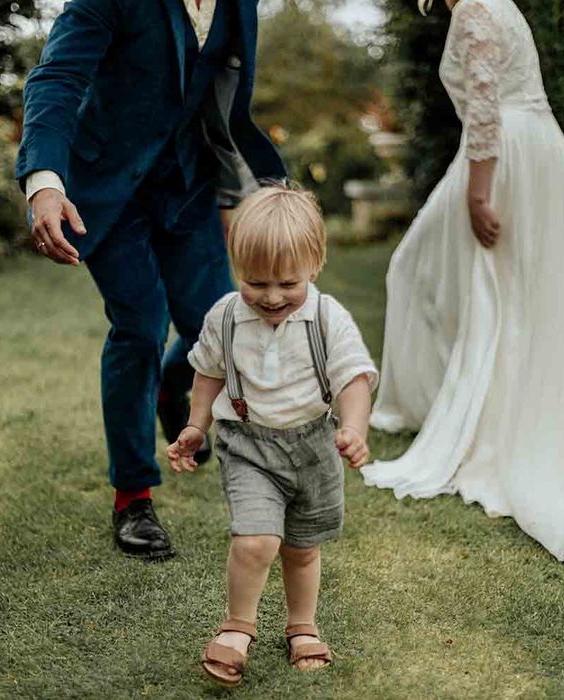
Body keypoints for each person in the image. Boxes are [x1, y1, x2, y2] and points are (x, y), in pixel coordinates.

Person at [362, 0, 564, 587]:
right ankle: (460, 403)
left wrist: (479, 191)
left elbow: (485, 109)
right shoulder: (501, 4)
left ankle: (476, 418)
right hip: (538, 149)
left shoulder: (473, 12)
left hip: (503, 159)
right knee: (480, 286)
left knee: (429, 272)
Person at [16, 0, 286, 559]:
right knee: (140, 327)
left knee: (214, 327)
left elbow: (224, 87)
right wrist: (44, 181)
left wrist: (255, 179)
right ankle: (133, 496)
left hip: (188, 183)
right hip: (107, 191)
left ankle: (171, 386)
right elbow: (58, 77)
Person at [167, 186, 378, 685]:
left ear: (315, 265)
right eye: (255, 281)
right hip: (249, 447)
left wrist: (353, 427)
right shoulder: (225, 315)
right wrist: (198, 424)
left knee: (302, 548)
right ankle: (238, 627)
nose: (272, 296)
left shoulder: (327, 318)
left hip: (313, 447)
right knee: (256, 540)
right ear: (237, 266)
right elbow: (209, 373)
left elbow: (353, 378)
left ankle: (302, 626)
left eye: (288, 282)